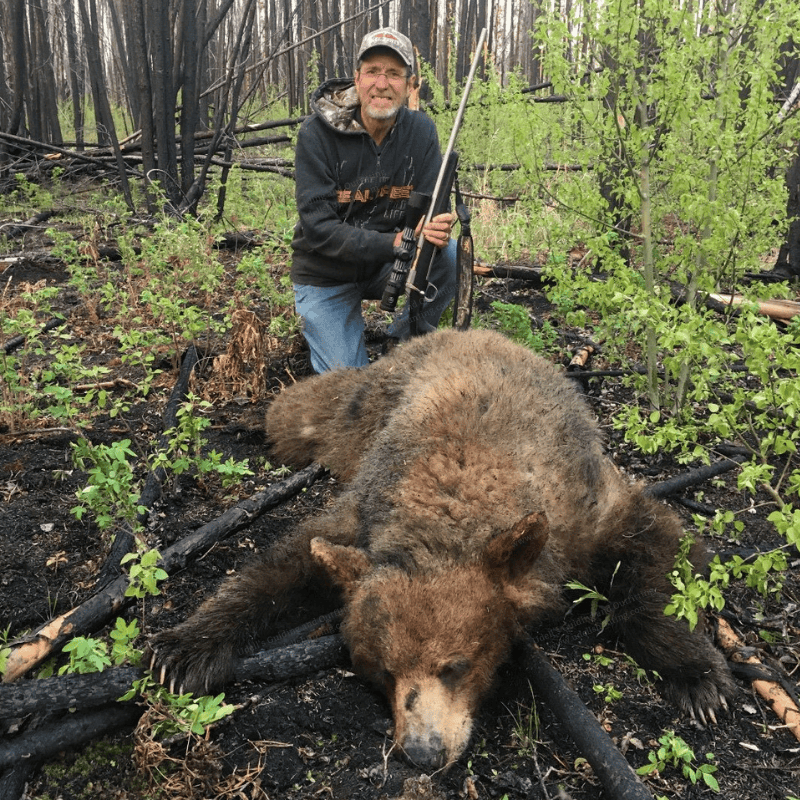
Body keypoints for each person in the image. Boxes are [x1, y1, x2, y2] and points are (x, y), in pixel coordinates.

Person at [289, 27, 457, 373]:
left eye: (394, 74)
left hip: (388, 264)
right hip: (325, 272)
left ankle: (406, 343)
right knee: (347, 386)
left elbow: (427, 209)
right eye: (373, 72)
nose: (382, 84)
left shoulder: (422, 132)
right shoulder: (315, 134)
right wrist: (394, 242)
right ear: (356, 79)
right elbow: (319, 229)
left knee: (449, 256)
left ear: (411, 85)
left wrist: (435, 227)